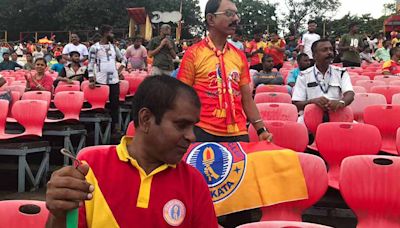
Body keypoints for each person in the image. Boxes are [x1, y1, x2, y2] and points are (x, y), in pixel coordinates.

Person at [45, 76, 219, 228]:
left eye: (193, 126)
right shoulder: (90, 167)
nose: (192, 136)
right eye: (181, 125)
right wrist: (58, 214)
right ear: (146, 119)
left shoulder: (194, 183)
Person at [178, 1, 273, 225]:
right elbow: (181, 97)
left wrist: (260, 129)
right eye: (229, 14)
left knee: (241, 198)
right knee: (205, 197)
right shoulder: (193, 54)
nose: (236, 19)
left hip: (237, 133)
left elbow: (246, 98)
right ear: (211, 19)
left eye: (236, 15)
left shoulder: (239, 57)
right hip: (203, 133)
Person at [292, 39, 355, 122]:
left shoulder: (341, 72)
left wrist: (341, 102)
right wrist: (312, 102)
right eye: (324, 50)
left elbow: (350, 94)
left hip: (337, 113)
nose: (329, 52)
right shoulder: (303, 75)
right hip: (311, 116)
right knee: (298, 128)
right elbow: (296, 103)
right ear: (314, 56)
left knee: (360, 130)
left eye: (330, 49)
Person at [88, 25, 126, 133]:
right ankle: (102, 128)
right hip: (100, 79)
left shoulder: (114, 47)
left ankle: (115, 127)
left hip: (114, 80)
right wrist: (91, 78)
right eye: (111, 32)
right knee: (101, 105)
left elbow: (123, 59)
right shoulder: (94, 48)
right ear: (105, 33)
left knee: (115, 104)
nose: (112, 35)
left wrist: (119, 71)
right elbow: (90, 64)